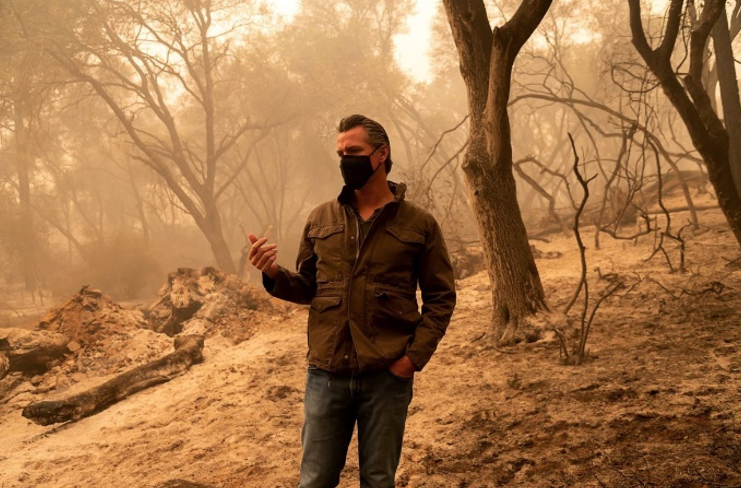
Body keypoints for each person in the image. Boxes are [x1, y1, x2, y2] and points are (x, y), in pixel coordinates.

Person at [248, 114, 456, 488]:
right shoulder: (320, 218)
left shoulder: (418, 224)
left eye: (354, 151)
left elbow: (440, 297)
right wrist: (273, 273)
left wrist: (412, 359)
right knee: (315, 480)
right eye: (341, 153)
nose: (346, 160)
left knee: (378, 480)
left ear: (382, 154)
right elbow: (307, 287)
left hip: (387, 376)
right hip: (326, 375)